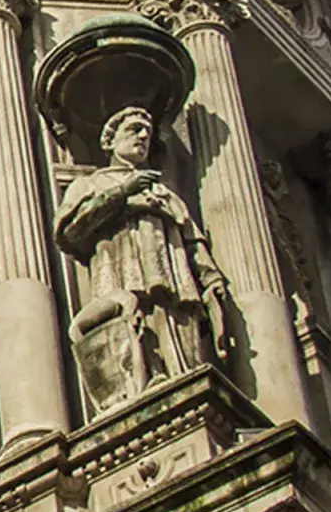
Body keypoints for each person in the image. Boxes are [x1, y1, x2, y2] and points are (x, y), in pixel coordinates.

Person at [55, 106, 231, 412]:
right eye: (133, 130)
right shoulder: (90, 184)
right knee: (135, 348)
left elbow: (192, 242)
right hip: (123, 282)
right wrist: (123, 193)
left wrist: (211, 280)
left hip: (174, 286)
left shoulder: (166, 193)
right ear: (109, 142)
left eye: (147, 133)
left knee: (182, 355)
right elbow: (71, 230)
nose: (142, 137)